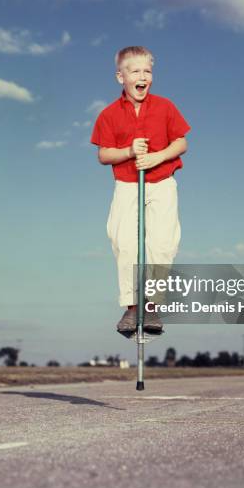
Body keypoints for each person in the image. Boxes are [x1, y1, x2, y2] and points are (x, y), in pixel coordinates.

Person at [90, 46, 190, 333]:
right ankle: (132, 308)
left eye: (147, 71)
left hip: (161, 182)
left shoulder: (165, 107)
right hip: (127, 184)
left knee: (162, 242)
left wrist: (158, 156)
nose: (142, 76)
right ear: (120, 76)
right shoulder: (109, 114)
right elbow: (104, 155)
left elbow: (181, 143)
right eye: (135, 71)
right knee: (125, 241)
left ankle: (152, 307)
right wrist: (129, 152)